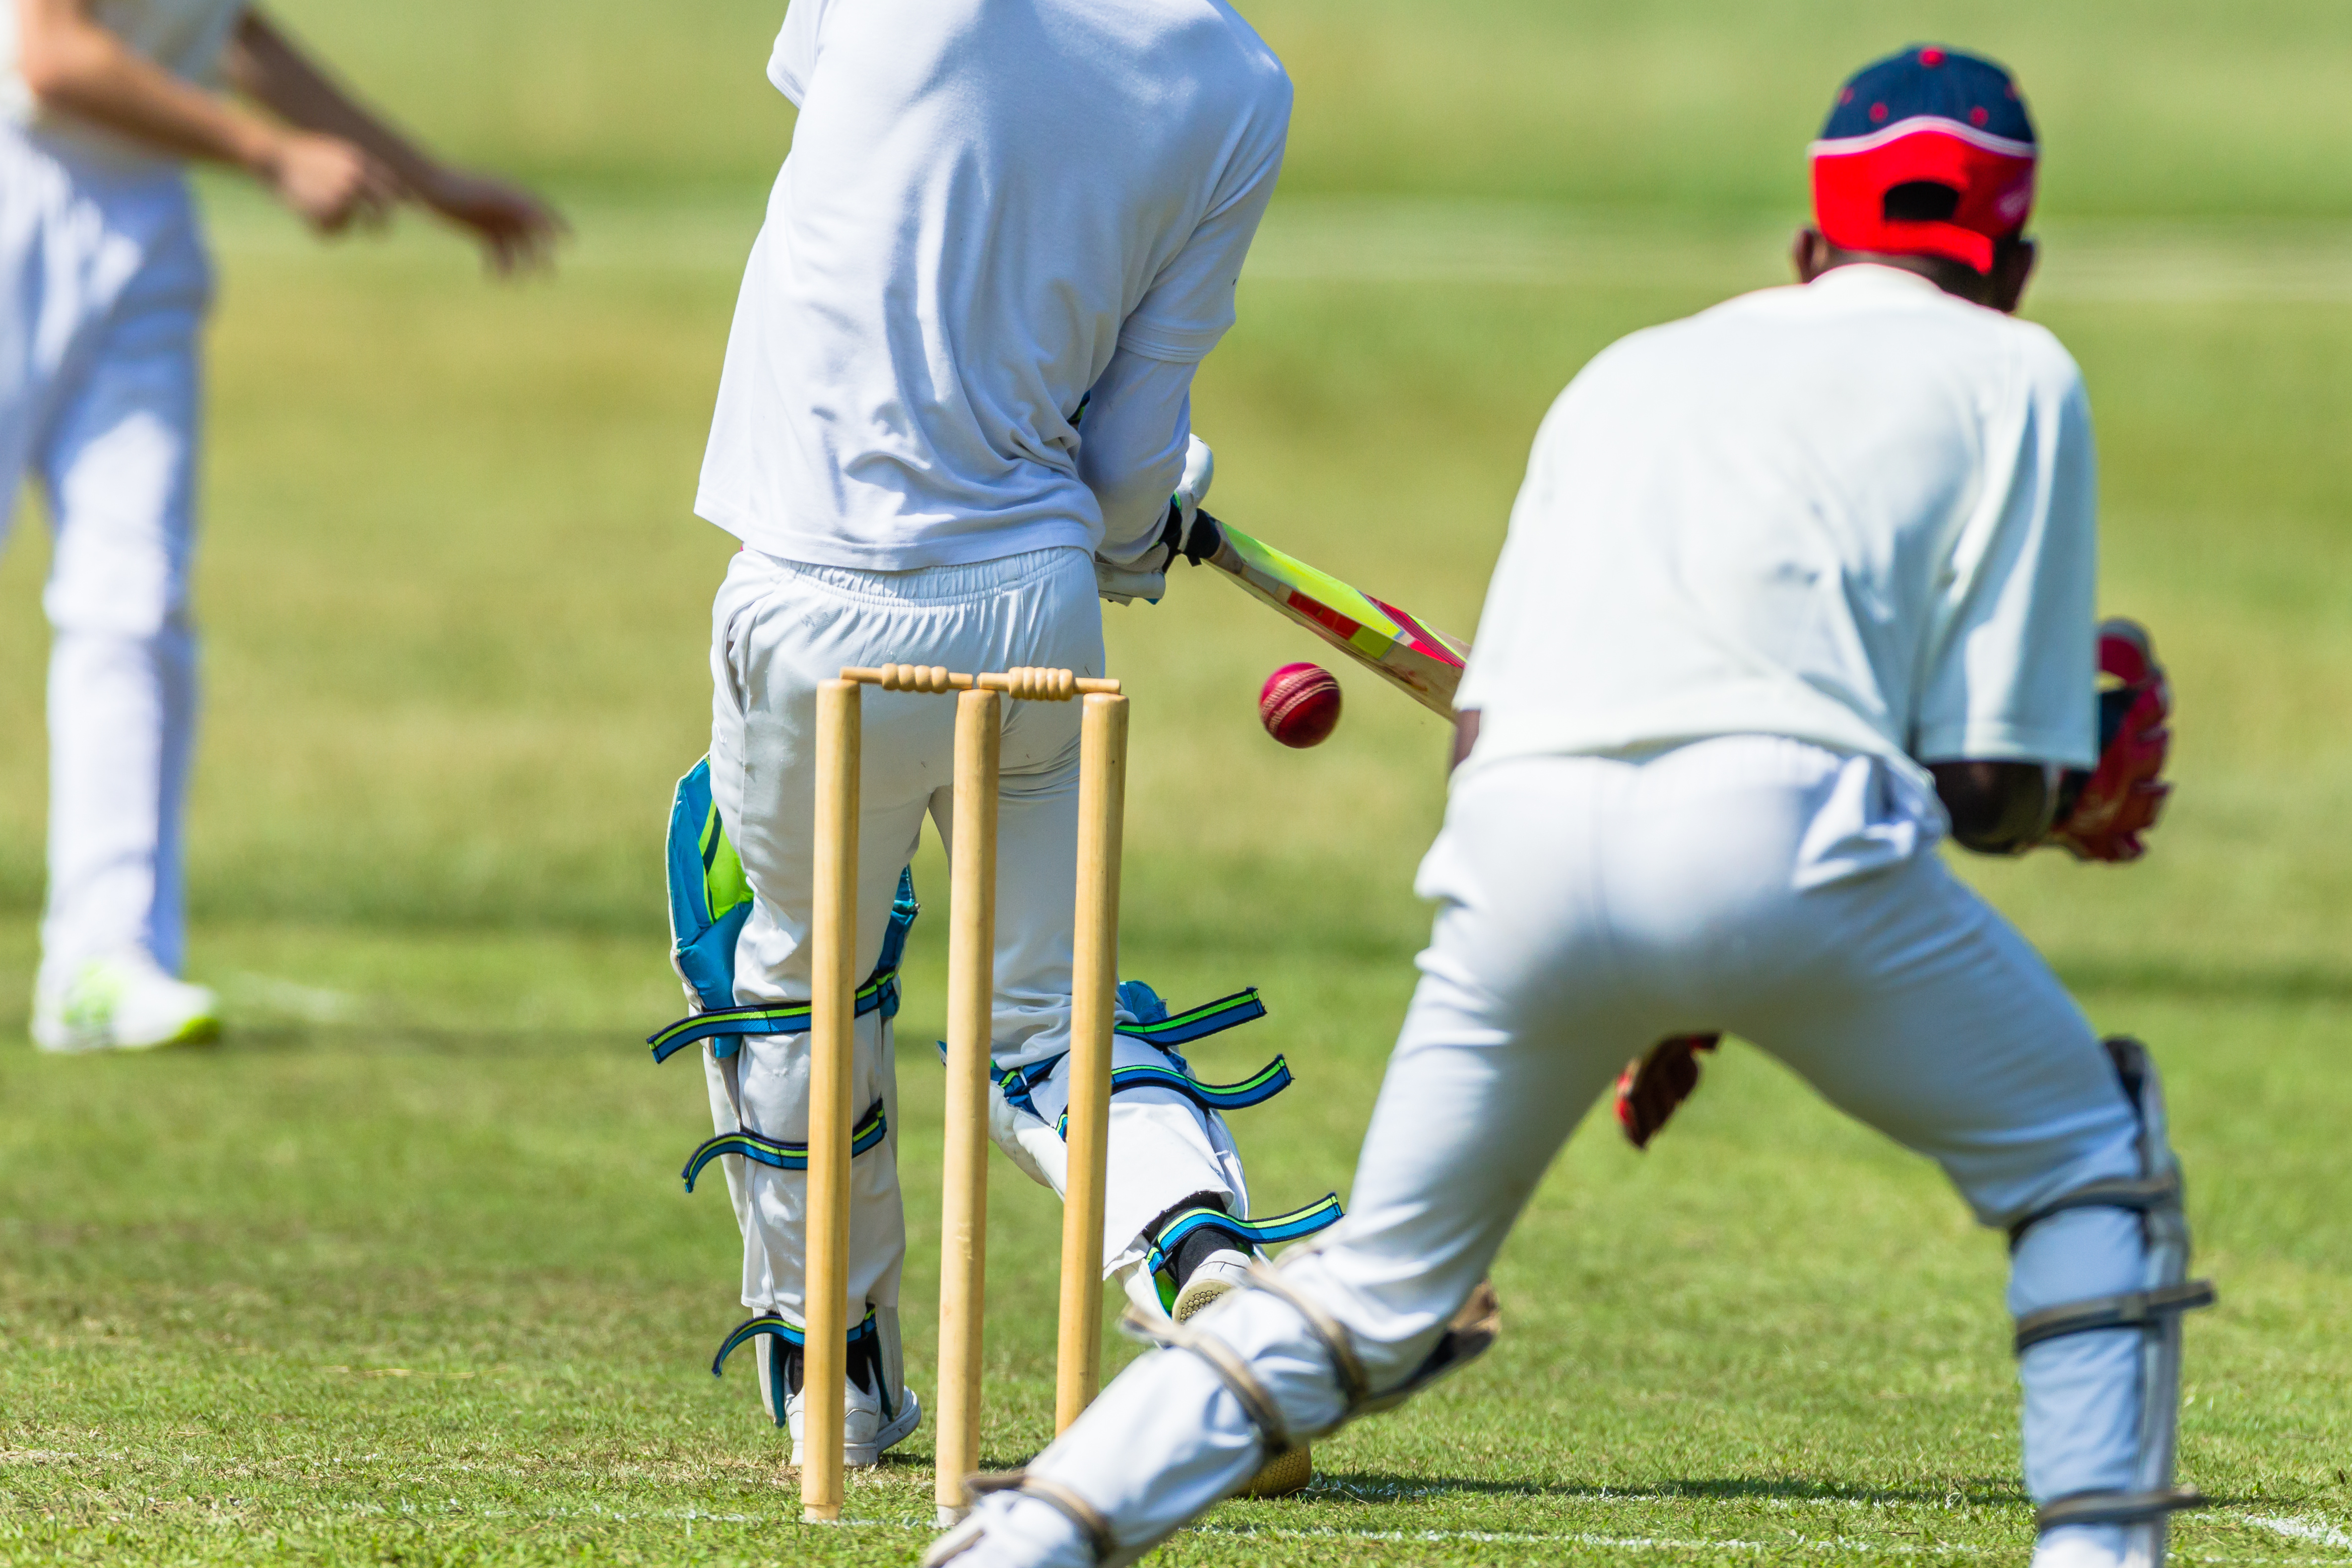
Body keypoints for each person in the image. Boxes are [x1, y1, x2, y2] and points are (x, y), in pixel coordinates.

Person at [924, 45, 2200, 1568]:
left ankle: (1009, 1549)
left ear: (1807, 247)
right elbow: (1986, 795)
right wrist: (2064, 799)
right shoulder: (2015, 372)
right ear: (2017, 263)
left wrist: (1652, 971)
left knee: (1367, 1298)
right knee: (2086, 1162)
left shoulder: (1630, 369)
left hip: (1518, 849)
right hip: (1790, 843)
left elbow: (1488, 749)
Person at [665, 0, 1338, 1485]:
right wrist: (1145, 514)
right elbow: (1120, 482)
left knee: (784, 958)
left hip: (811, 590)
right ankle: (1198, 1265)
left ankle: (830, 1372)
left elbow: (861, 169)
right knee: (1046, 1022)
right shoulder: (1239, 80)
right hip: (1032, 605)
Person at [3, 0, 562, 1052]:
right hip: (16, 187)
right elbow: (52, 55)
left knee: (137, 595)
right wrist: (268, 154)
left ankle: (104, 957)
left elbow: (229, 29)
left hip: (144, 216)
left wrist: (429, 181)